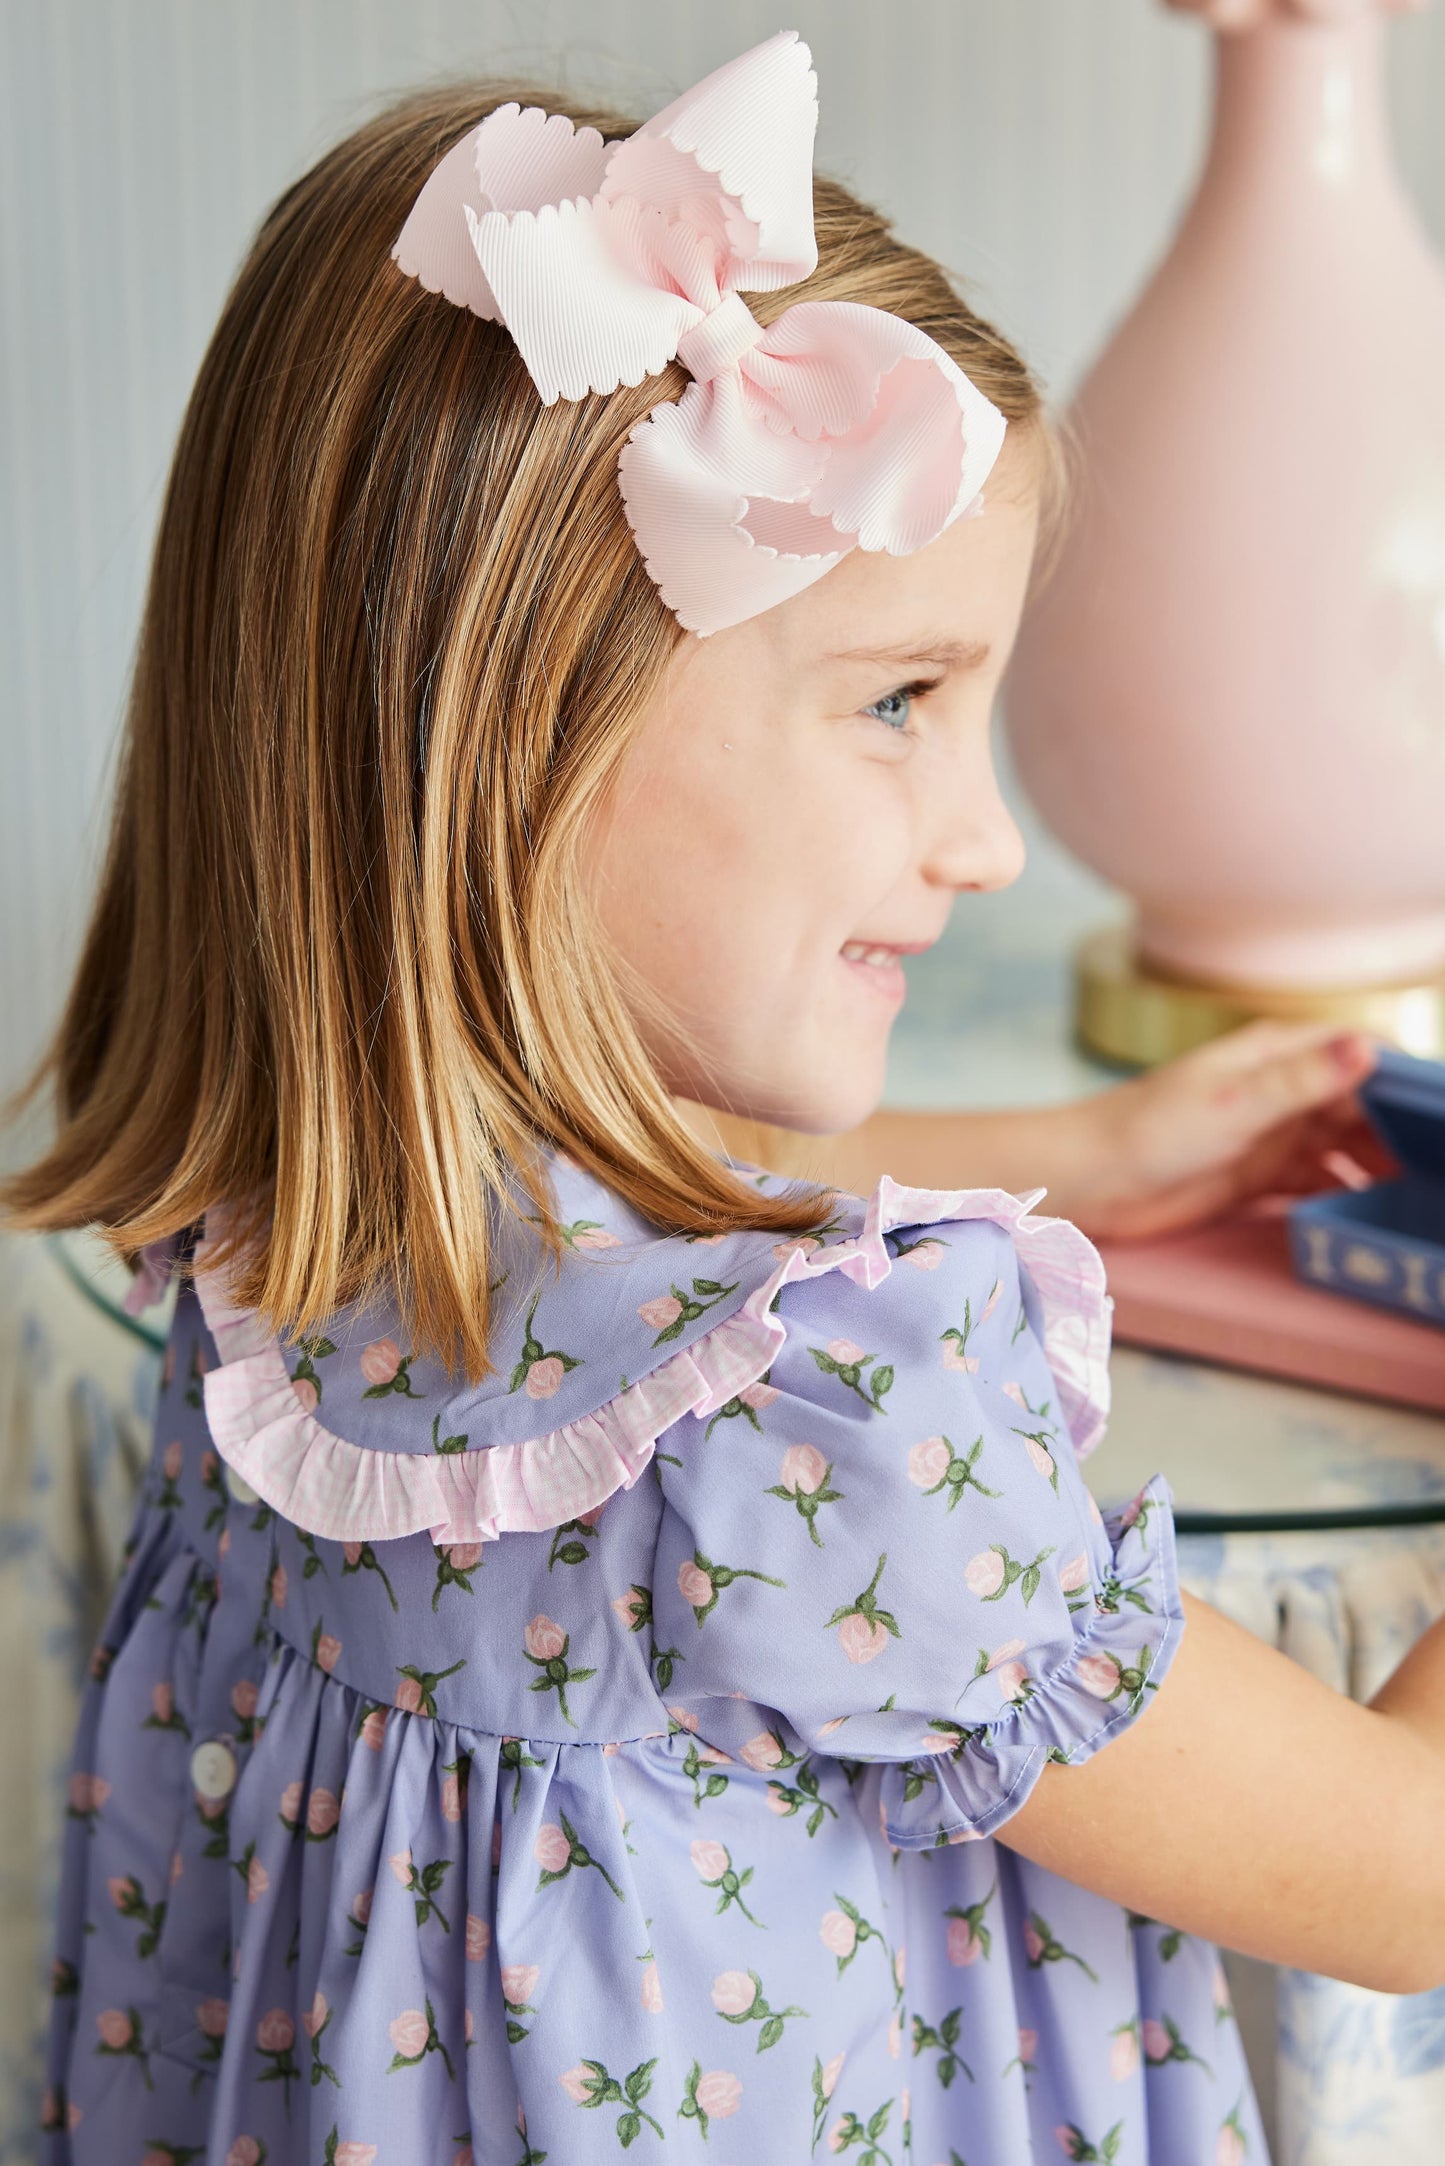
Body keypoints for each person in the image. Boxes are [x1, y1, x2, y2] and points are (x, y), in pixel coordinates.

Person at [8, 31, 1440, 2166]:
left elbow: (610, 1208)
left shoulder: (264, 1226)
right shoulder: (835, 1407)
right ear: (524, 731)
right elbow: (1403, 1877)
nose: (986, 842)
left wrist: (1078, 1157)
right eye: (899, 702)